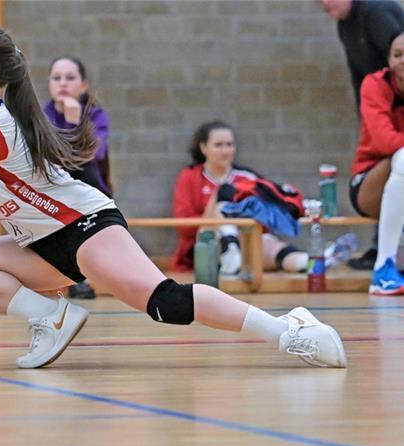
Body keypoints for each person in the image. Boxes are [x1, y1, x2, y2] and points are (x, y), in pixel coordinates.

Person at [0, 21, 347, 374]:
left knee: (164, 302)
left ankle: (290, 331)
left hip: (84, 225)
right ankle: (50, 316)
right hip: (36, 242)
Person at [172, 121, 356, 275]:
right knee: (225, 193)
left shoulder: (248, 177)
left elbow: (268, 213)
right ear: (203, 147)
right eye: (218, 145)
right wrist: (220, 216)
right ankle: (229, 245)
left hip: (246, 240)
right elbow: (184, 227)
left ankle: (317, 261)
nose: (225, 150)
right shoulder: (190, 177)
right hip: (207, 242)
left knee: (271, 246)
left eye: (230, 144)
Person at [320, 0, 404, 269]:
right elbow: (386, 141)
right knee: (401, 158)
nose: (324, 4)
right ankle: (384, 257)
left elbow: (398, 43)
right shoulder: (376, 84)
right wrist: (368, 117)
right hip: (378, 168)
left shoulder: (376, 14)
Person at [43, 56, 112, 298]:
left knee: (83, 168)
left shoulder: (96, 116)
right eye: (57, 78)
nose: (62, 83)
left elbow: (92, 155)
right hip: (49, 189)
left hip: (86, 190)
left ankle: (80, 275)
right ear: (50, 84)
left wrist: (74, 123)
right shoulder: (41, 115)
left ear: (83, 85)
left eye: (70, 78)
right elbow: (45, 158)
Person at [348, 33, 404, 295]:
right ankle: (383, 267)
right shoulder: (374, 84)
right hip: (369, 182)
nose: (402, 60)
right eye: (397, 55)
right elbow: (385, 142)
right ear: (389, 60)